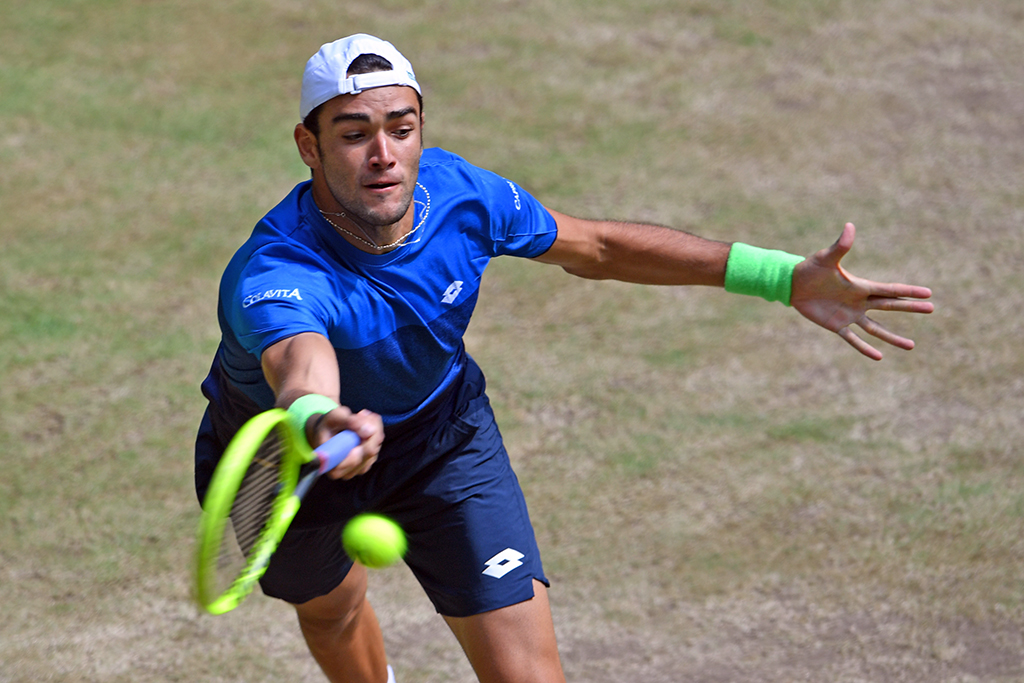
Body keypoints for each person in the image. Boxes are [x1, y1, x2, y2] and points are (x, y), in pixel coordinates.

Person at [194, 33, 933, 683]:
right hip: (290, 461)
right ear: (309, 145)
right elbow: (300, 362)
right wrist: (321, 419)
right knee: (332, 608)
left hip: (442, 441)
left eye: (402, 128)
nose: (384, 155)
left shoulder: (463, 197)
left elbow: (599, 247)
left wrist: (779, 276)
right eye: (354, 134)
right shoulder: (275, 271)